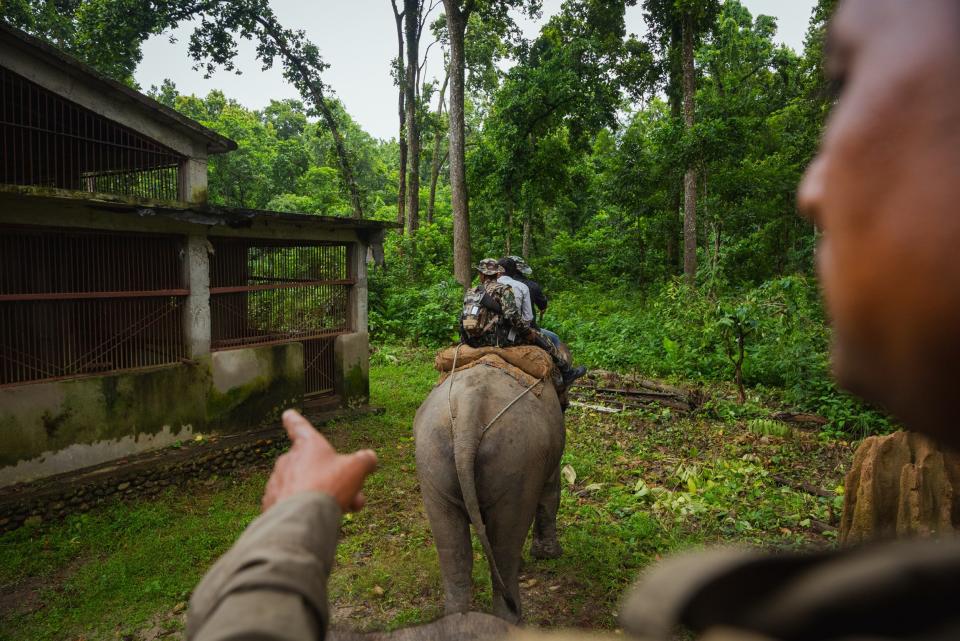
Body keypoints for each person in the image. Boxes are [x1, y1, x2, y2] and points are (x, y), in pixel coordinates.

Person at [189, 1, 960, 638]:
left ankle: (462, 603)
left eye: (849, 88)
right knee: (557, 360)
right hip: (517, 355)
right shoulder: (520, 292)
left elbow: (466, 331)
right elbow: (530, 329)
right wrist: (540, 348)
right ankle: (532, 523)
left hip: (465, 364)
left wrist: (289, 531)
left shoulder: (474, 292)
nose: (813, 189)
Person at [463, 258, 586, 386]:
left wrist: (465, 340)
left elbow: (463, 318)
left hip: (473, 340)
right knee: (544, 339)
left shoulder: (471, 291)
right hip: (498, 340)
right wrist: (527, 332)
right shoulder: (504, 290)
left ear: (481, 275)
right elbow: (512, 317)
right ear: (497, 273)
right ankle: (566, 372)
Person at [507, 256, 559, 348]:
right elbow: (543, 306)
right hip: (527, 329)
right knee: (555, 338)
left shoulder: (496, 284)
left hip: (500, 329)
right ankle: (561, 362)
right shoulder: (531, 285)